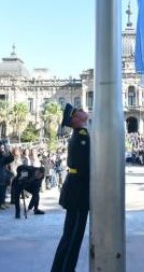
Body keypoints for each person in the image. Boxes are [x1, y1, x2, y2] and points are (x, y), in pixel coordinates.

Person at [51, 103, 91, 272]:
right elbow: (85, 167)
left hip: (76, 188)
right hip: (78, 191)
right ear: (75, 119)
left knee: (70, 235)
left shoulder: (81, 134)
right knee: (73, 236)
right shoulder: (82, 136)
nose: (83, 111)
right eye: (79, 111)